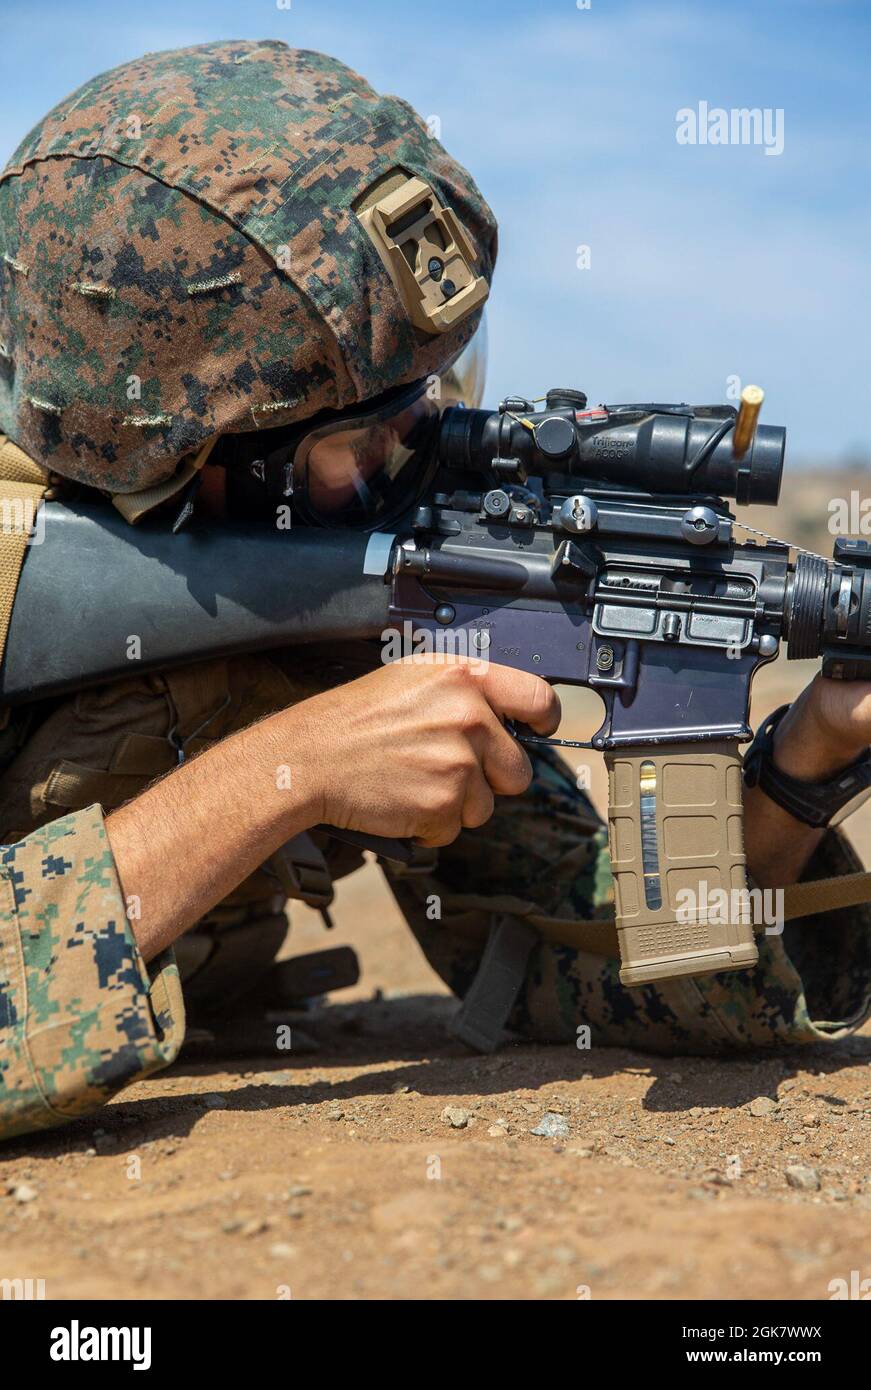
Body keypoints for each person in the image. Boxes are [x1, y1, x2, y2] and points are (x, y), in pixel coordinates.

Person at [0, 41, 868, 1144]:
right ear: (160, 446)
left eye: (436, 402)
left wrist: (796, 774)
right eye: (366, 440)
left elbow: (610, 979)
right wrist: (289, 772)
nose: (423, 458)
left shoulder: (376, 598)